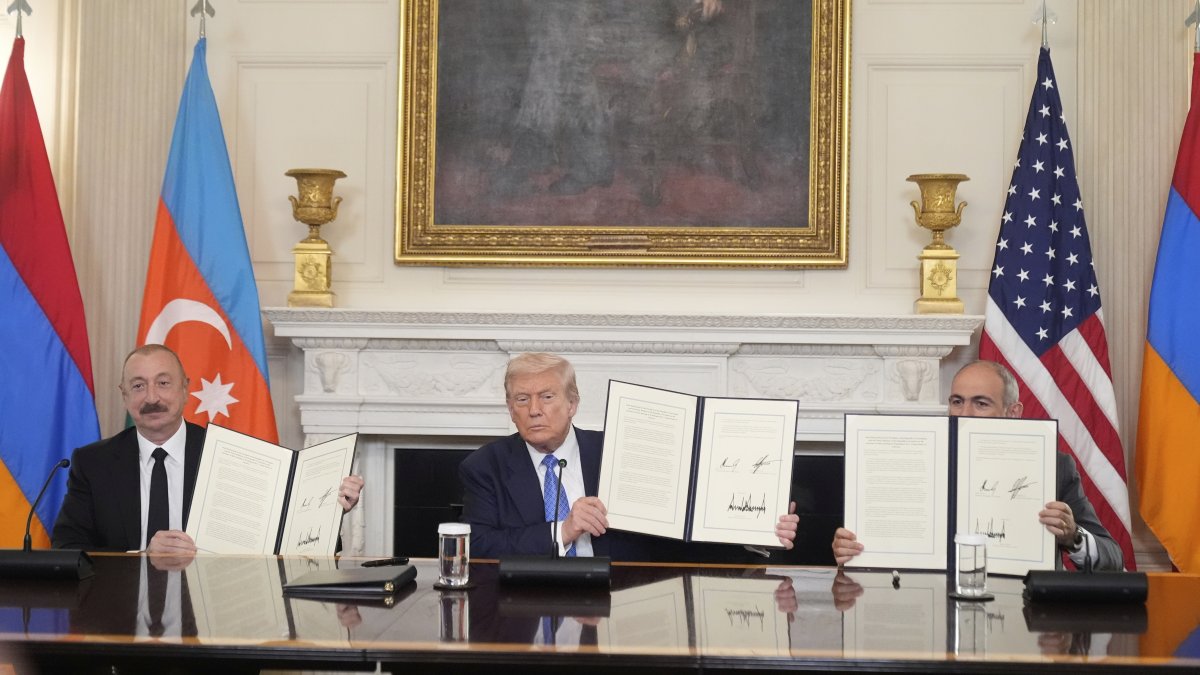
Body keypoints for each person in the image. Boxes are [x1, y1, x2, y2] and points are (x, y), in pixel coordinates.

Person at [459, 352, 798, 562]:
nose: (534, 410)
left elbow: (673, 537)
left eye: (547, 397)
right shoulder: (485, 466)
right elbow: (477, 544)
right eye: (521, 399)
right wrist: (564, 529)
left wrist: (754, 531)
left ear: (573, 404)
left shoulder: (621, 451)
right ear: (509, 408)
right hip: (523, 606)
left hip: (620, 602)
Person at [51, 344, 364, 554]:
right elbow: (68, 551)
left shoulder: (232, 456)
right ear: (123, 395)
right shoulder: (93, 464)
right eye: (138, 386)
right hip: (123, 623)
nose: (151, 398)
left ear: (185, 389)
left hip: (214, 623)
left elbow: (282, 544)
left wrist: (327, 509)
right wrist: (142, 556)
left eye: (163, 383)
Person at [831, 360, 1123, 571]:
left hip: (1025, 616)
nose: (964, 414)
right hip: (931, 609)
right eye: (957, 401)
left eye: (980, 404)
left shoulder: (1054, 466)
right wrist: (851, 549)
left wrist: (1074, 537)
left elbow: (1113, 557)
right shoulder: (913, 463)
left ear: (1013, 412)